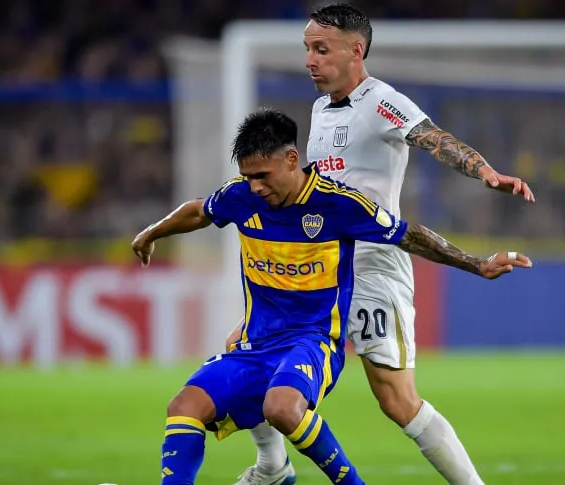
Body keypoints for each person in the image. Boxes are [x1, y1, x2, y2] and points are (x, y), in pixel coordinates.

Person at [132, 109, 532, 485]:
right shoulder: (241, 196)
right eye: (248, 177)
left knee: (281, 408)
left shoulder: (338, 203)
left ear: (292, 160)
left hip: (312, 342)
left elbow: (409, 234)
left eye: (263, 175)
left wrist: (477, 264)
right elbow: (198, 211)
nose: (255, 186)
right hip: (256, 343)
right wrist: (152, 233)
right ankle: (266, 469)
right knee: (183, 406)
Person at [230, 4, 536, 485]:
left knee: (397, 401)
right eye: (307, 49)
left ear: (356, 51)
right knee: (244, 350)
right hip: (321, 267)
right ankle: (272, 467)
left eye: (321, 49)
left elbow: (430, 137)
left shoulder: (381, 101)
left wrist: (484, 171)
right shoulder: (320, 109)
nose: (310, 60)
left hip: (373, 267)